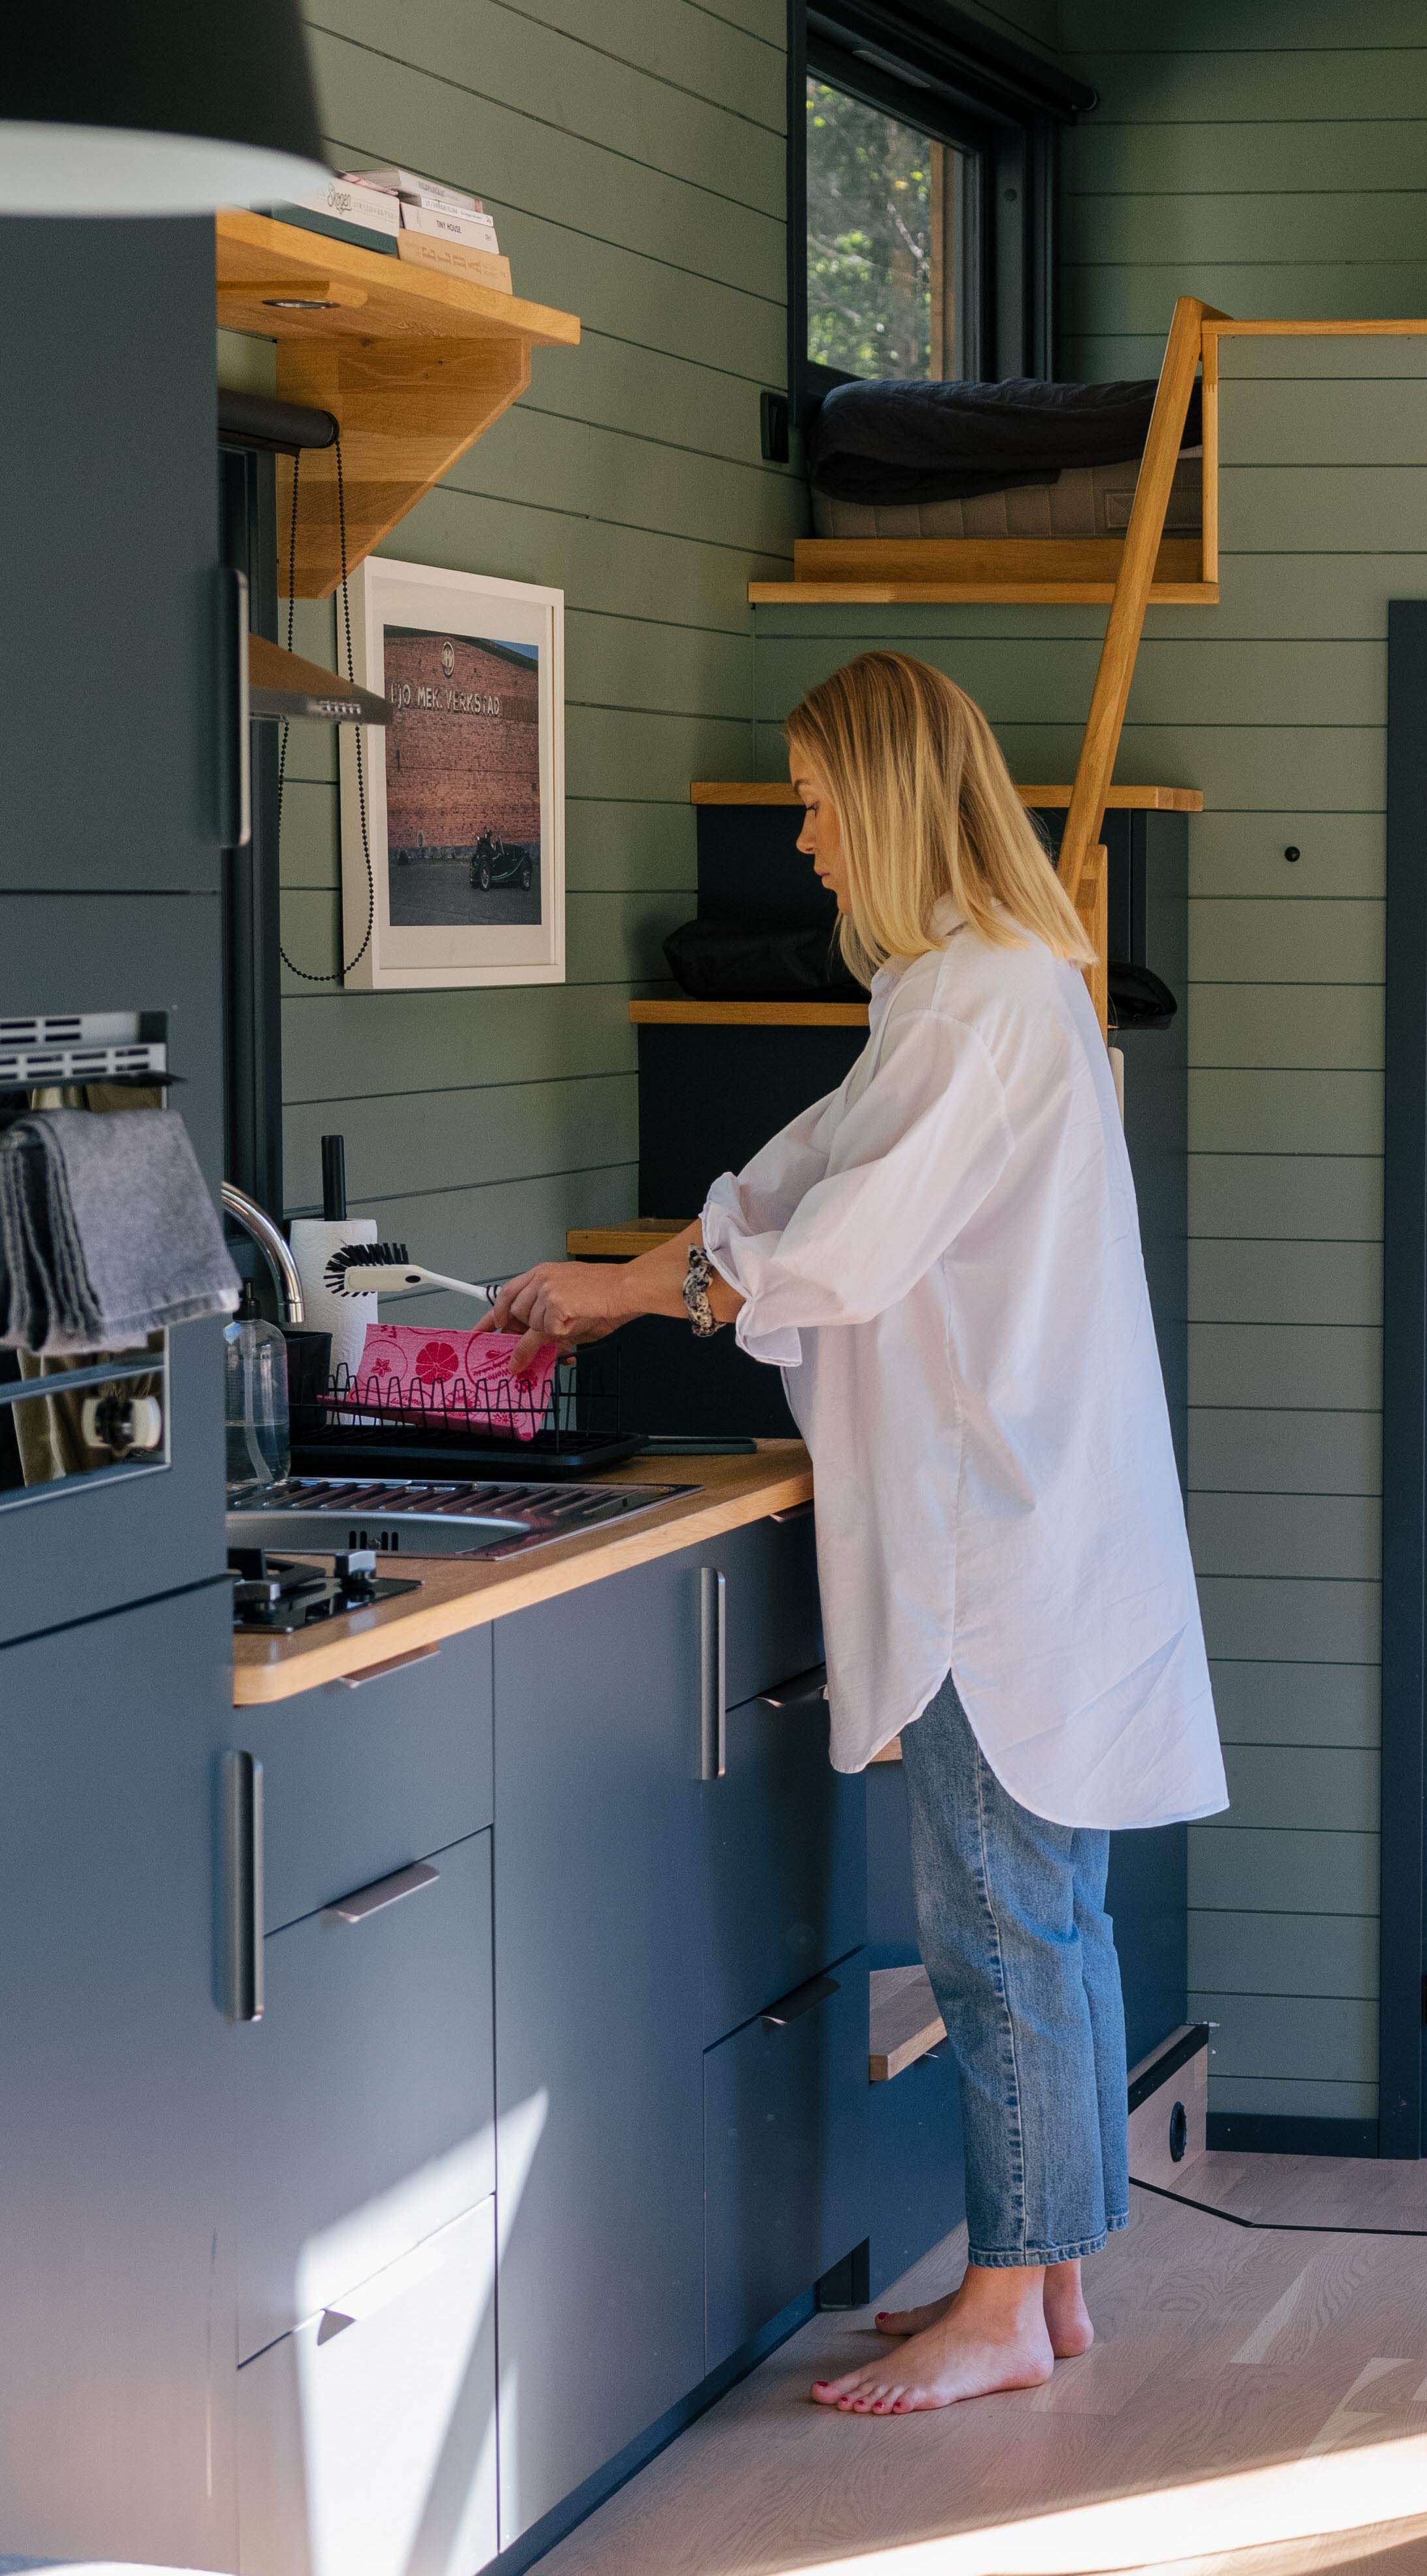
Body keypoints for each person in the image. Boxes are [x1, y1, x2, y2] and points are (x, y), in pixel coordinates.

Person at [485, 649, 1223, 2418]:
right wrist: (627, 1288)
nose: (805, 835)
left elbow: (834, 1248)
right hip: (1034, 1525)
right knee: (1048, 1919)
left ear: (890, 796)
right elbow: (791, 1187)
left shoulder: (976, 1001)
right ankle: (1042, 2292)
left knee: (1000, 1933)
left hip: (1001, 1545)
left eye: (819, 799)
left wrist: (634, 1289)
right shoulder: (975, 994)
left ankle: (1005, 2295)